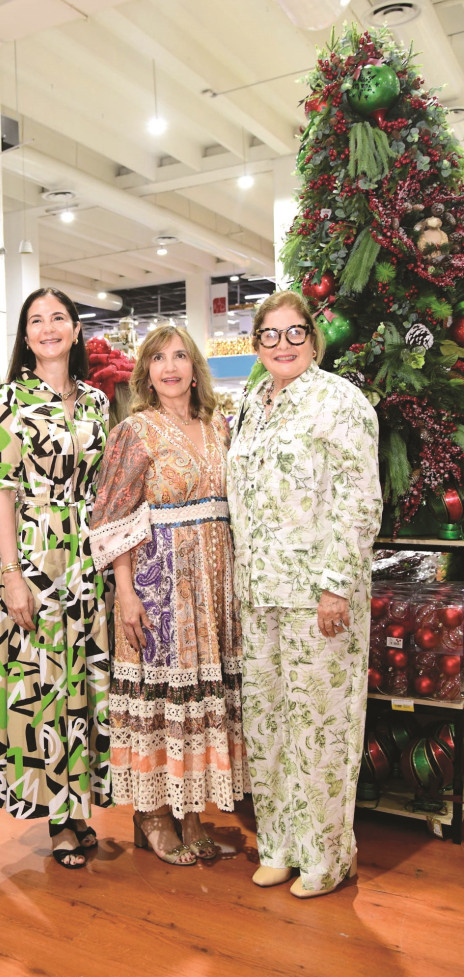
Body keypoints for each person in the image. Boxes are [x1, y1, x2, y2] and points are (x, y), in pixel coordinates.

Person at [226, 290, 382, 899]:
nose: (283, 345)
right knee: (268, 727)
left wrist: (336, 586)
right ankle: (280, 846)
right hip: (258, 593)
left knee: (321, 727)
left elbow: (359, 498)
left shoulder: (337, 400)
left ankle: (327, 856)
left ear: (313, 341)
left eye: (295, 333)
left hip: (319, 597)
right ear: (257, 344)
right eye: (270, 334)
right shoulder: (250, 406)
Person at [90, 325, 247, 866]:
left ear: (195, 365)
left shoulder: (218, 426)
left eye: (180, 355)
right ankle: (152, 814)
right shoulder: (135, 432)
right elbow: (112, 517)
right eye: (159, 358)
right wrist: (126, 592)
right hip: (160, 585)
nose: (171, 366)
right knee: (162, 704)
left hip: (213, 581)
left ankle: (192, 810)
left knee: (200, 705)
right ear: (146, 372)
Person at [0, 287, 111, 870]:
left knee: (84, 684)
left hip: (89, 559)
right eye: (37, 321)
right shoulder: (7, 400)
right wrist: (10, 574)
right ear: (26, 335)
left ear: (76, 329)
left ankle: (80, 807)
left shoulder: (95, 402)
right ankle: (57, 819)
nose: (48, 328)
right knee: (43, 685)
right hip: (34, 556)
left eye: (58, 318)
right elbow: (1, 490)